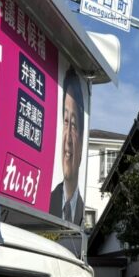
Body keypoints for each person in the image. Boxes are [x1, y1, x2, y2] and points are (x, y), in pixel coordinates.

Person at [49, 68, 85, 225]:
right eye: (65, 121)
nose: (68, 138)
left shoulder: (83, 211)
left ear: (83, 139)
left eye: (75, 125)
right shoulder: (46, 201)